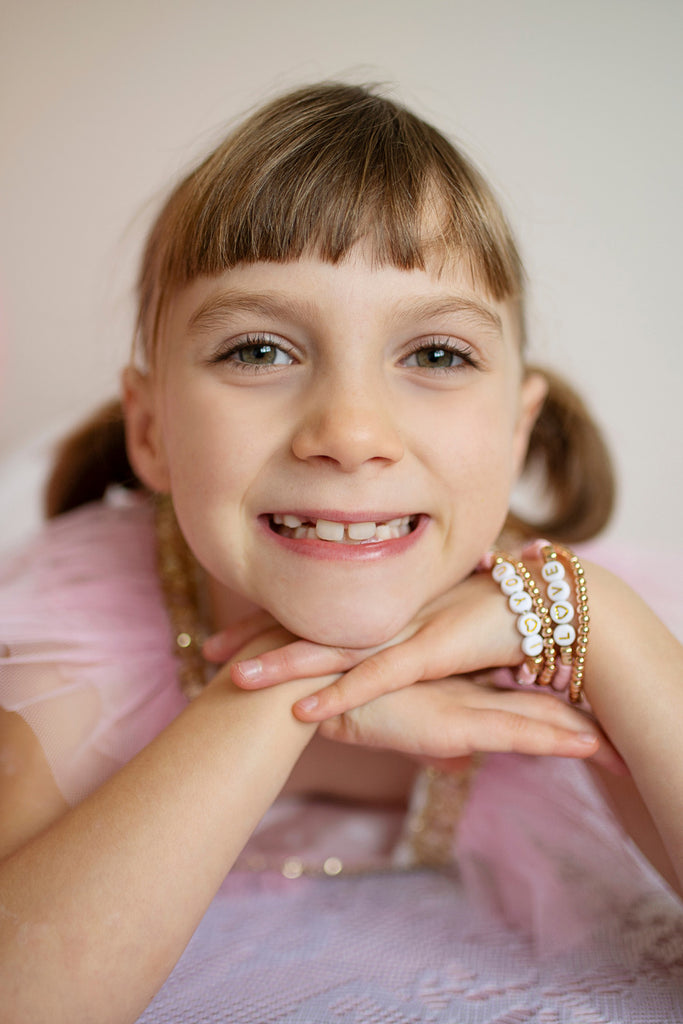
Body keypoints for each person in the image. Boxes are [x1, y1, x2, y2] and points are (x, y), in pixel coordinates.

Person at [1, 82, 682, 1024]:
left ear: (517, 434)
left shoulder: (572, 638)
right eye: (259, 350)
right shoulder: (85, 628)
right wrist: (277, 695)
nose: (352, 432)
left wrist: (597, 622)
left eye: (436, 356)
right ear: (150, 429)